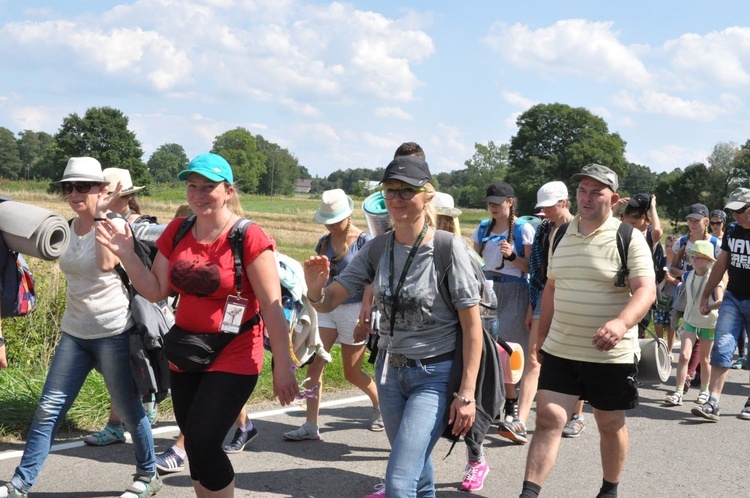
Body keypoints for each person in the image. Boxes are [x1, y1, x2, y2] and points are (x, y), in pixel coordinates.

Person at [96, 153, 299, 497]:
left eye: (209, 187)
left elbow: (272, 308)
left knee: (203, 441)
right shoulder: (178, 231)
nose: (199, 194)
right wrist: (128, 254)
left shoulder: (248, 237)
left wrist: (284, 366)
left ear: (229, 191)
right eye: (193, 186)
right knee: (195, 444)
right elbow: (156, 290)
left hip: (235, 351)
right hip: (186, 350)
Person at [304, 155, 482, 498]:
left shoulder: (447, 249)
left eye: (406, 191)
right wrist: (314, 287)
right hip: (389, 374)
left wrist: (467, 394)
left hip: (435, 376)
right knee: (419, 477)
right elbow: (328, 301)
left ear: (426, 197)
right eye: (390, 191)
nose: (397, 199)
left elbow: (472, 328)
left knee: (399, 484)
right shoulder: (378, 248)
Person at [0, 157, 160, 498]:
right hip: (74, 332)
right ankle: (19, 485)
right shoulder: (68, 226)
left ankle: (148, 474)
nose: (74, 193)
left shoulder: (116, 225)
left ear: (102, 190)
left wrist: (101, 215)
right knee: (48, 410)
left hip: (113, 332)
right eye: (67, 186)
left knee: (129, 410)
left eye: (82, 186)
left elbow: (105, 265)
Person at [518, 164, 655, 498]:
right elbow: (552, 287)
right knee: (550, 419)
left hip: (610, 354)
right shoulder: (559, 234)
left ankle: (609, 490)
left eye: (597, 192)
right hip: (562, 348)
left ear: (615, 199)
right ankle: (529, 493)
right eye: (582, 190)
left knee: (609, 423)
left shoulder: (629, 238)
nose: (587, 198)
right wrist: (541, 335)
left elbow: (645, 291)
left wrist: (621, 323)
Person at [283, 189, 381, 441]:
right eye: (328, 220)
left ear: (347, 215)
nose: (331, 224)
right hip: (326, 308)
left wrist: (365, 311)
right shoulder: (323, 242)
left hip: (354, 309)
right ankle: (310, 425)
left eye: (335, 219)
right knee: (315, 365)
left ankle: (379, 405)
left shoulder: (364, 240)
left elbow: (371, 279)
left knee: (351, 372)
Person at [84, 168, 157, 447]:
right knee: (119, 369)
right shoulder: (98, 221)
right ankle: (128, 417)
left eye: (104, 193)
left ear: (122, 197)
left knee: (133, 364)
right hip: (113, 306)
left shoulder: (141, 225)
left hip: (137, 305)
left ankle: (127, 419)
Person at [517, 181, 584, 440]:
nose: (544, 212)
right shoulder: (543, 229)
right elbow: (536, 272)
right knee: (533, 359)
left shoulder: (581, 229)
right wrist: (532, 307)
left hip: (573, 303)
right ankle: (520, 422)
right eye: (541, 207)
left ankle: (576, 417)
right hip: (544, 299)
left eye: (549, 207)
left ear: (563, 203)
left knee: (575, 361)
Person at [472, 181, 534, 444]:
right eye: (490, 203)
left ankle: (511, 405)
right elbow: (474, 261)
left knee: (506, 350)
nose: (493, 207)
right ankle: (491, 403)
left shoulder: (523, 228)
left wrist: (511, 257)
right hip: (486, 289)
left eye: (498, 202)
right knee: (484, 347)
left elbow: (531, 268)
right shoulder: (483, 228)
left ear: (510, 201)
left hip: (514, 291)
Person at [692, 188, 750, 422]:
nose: (734, 215)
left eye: (740, 210)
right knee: (722, 346)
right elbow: (720, 265)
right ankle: (712, 402)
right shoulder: (733, 231)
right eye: (732, 210)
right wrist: (705, 295)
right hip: (733, 298)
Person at [664, 240, 723, 406]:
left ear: (708, 259)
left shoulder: (714, 277)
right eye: (692, 256)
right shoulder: (687, 274)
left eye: (699, 257)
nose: (694, 260)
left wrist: (709, 307)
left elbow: (721, 301)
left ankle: (704, 391)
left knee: (704, 359)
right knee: (683, 356)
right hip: (690, 320)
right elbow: (676, 276)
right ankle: (678, 392)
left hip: (708, 322)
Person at [670, 204, 721, 391]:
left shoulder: (716, 244)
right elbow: (671, 267)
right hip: (686, 291)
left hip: (707, 292)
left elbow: (722, 271)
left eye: (696, 220)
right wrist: (689, 274)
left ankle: (695, 375)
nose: (692, 223)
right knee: (688, 334)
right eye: (689, 219)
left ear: (706, 222)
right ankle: (690, 375)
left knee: (701, 338)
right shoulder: (682, 241)